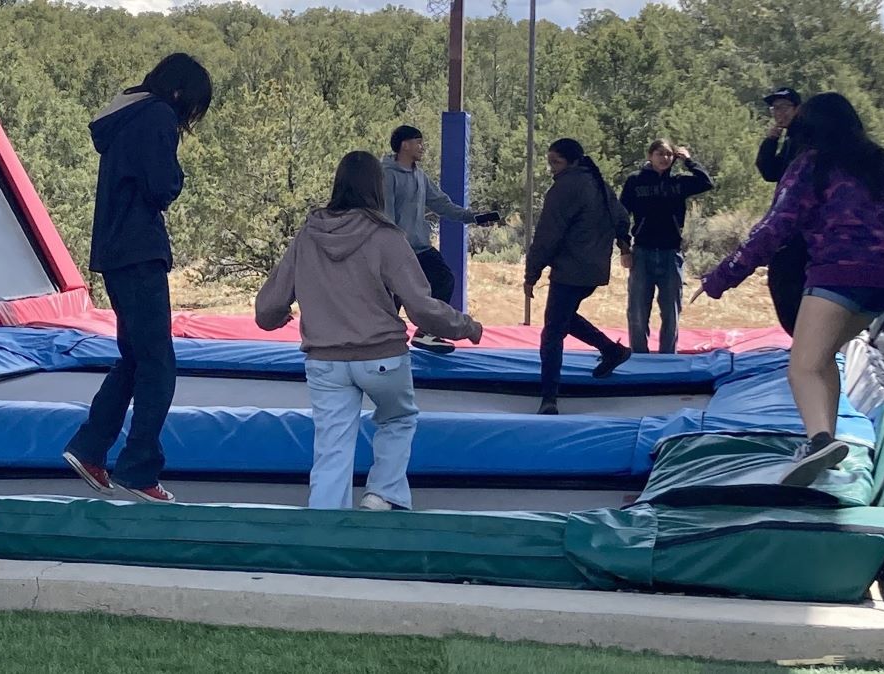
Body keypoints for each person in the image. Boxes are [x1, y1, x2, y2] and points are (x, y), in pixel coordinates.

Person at [695, 92, 884, 486]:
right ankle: (828, 439)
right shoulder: (880, 166)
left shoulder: (811, 166)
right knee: (822, 358)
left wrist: (721, 278)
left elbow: (775, 227)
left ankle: (819, 441)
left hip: (837, 274)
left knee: (802, 366)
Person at [255, 151, 484, 511]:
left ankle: (326, 518)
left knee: (331, 445)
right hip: (382, 356)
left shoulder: (307, 236)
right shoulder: (386, 237)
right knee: (398, 419)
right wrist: (466, 326)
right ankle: (383, 493)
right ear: (377, 187)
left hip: (325, 360)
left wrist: (277, 316)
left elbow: (267, 308)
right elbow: (421, 307)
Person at [60, 53, 213, 505]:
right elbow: (161, 186)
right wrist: (177, 174)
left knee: (135, 357)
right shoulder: (157, 115)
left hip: (113, 250)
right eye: (193, 106)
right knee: (159, 364)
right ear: (180, 92)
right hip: (140, 249)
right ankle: (139, 467)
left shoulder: (125, 115)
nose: (189, 117)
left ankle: (90, 447)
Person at [524, 139, 633, 416]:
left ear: (571, 162)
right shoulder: (598, 182)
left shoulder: (565, 188)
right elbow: (621, 217)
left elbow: (547, 235)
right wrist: (623, 244)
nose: (552, 168)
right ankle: (612, 351)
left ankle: (549, 397)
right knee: (564, 318)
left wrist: (531, 274)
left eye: (556, 162)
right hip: (594, 270)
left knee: (552, 332)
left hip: (570, 270)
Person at [381, 125, 500, 354]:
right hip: (397, 249)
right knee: (392, 296)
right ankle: (382, 339)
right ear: (405, 145)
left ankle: (427, 333)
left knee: (443, 279)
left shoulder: (420, 175)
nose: (422, 147)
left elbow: (442, 204)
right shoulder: (386, 175)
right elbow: (386, 216)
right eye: (418, 142)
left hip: (420, 247)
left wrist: (473, 217)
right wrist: (393, 248)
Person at [618, 139, 713, 354]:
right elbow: (621, 216)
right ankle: (639, 355)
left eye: (669, 154)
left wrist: (688, 161)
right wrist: (624, 248)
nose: (665, 158)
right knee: (638, 309)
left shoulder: (679, 182)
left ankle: (668, 356)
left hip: (671, 253)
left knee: (671, 309)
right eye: (660, 154)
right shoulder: (635, 181)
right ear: (650, 156)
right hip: (642, 252)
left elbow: (706, 182)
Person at [757, 87, 809, 335]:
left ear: (798, 109)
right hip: (788, 224)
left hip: (803, 225)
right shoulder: (789, 139)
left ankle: (808, 343)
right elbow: (769, 171)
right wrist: (770, 140)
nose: (779, 113)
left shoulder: (806, 137)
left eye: (784, 107)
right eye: (775, 108)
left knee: (789, 282)